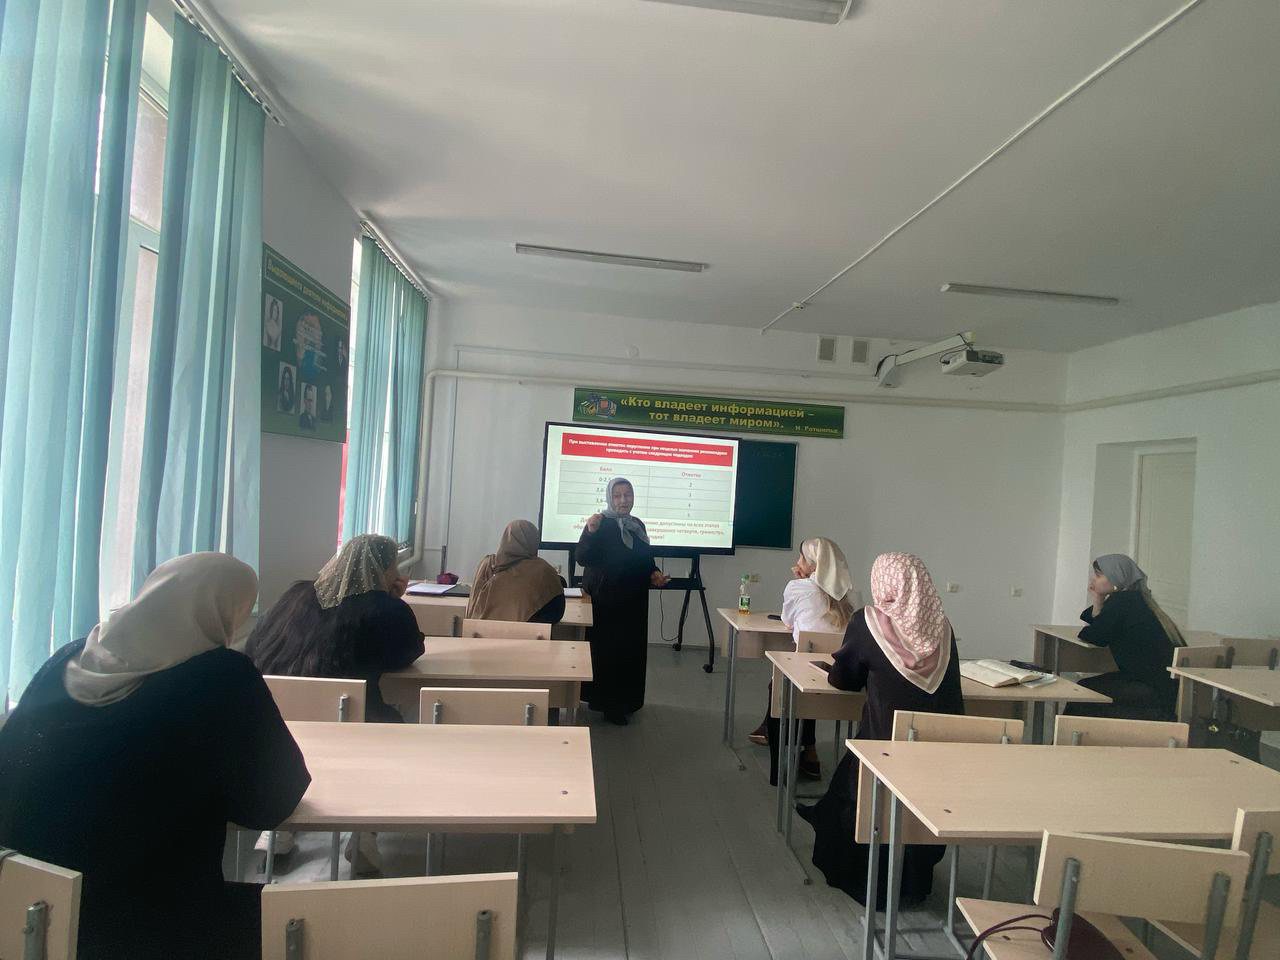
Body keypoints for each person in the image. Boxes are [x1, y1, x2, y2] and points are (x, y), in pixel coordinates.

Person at [0, 553, 310, 960]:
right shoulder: (221, 675)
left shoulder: (67, 656)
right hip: (141, 925)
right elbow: (272, 803)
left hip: (25, 909)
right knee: (310, 922)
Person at [246, 534, 424, 873]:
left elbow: (255, 646)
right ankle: (364, 832)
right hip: (353, 722)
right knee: (393, 730)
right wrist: (394, 601)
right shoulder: (383, 608)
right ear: (382, 568)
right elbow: (407, 652)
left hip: (279, 721)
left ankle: (279, 829)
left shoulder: (295, 596)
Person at [797, 552, 964, 908]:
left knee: (853, 777)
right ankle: (911, 879)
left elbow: (844, 680)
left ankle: (854, 861)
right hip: (941, 757)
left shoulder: (869, 620)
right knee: (848, 775)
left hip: (885, 752)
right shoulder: (943, 627)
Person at [751, 537, 856, 785]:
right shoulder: (848, 592)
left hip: (804, 674)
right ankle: (809, 751)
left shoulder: (797, 587)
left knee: (779, 686)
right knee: (803, 685)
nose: (797, 561)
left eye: (801, 557)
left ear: (813, 564)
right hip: (842, 675)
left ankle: (779, 762)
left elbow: (787, 621)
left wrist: (799, 582)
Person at [576, 477, 670, 724]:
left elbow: (645, 559)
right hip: (606, 602)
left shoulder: (637, 524)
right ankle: (609, 705)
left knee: (630, 652)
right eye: (617, 495)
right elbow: (582, 557)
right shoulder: (599, 523)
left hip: (633, 601)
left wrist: (655, 573)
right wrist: (590, 532)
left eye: (627, 495)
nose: (623, 500)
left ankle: (629, 701)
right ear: (610, 497)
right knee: (608, 653)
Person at [1064, 553, 1185, 720]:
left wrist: (1098, 599)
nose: (1093, 579)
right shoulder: (1138, 599)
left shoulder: (1122, 601)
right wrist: (1099, 598)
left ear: (1116, 578)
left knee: (1082, 689)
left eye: (1099, 575)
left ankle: (1069, 736)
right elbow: (1096, 621)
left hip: (1148, 688)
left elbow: (1093, 635)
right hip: (1164, 687)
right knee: (1089, 686)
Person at [467, 519, 565, 624]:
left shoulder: (486, 564)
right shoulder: (543, 570)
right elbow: (556, 612)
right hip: (527, 633)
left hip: (479, 631)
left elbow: (473, 608)